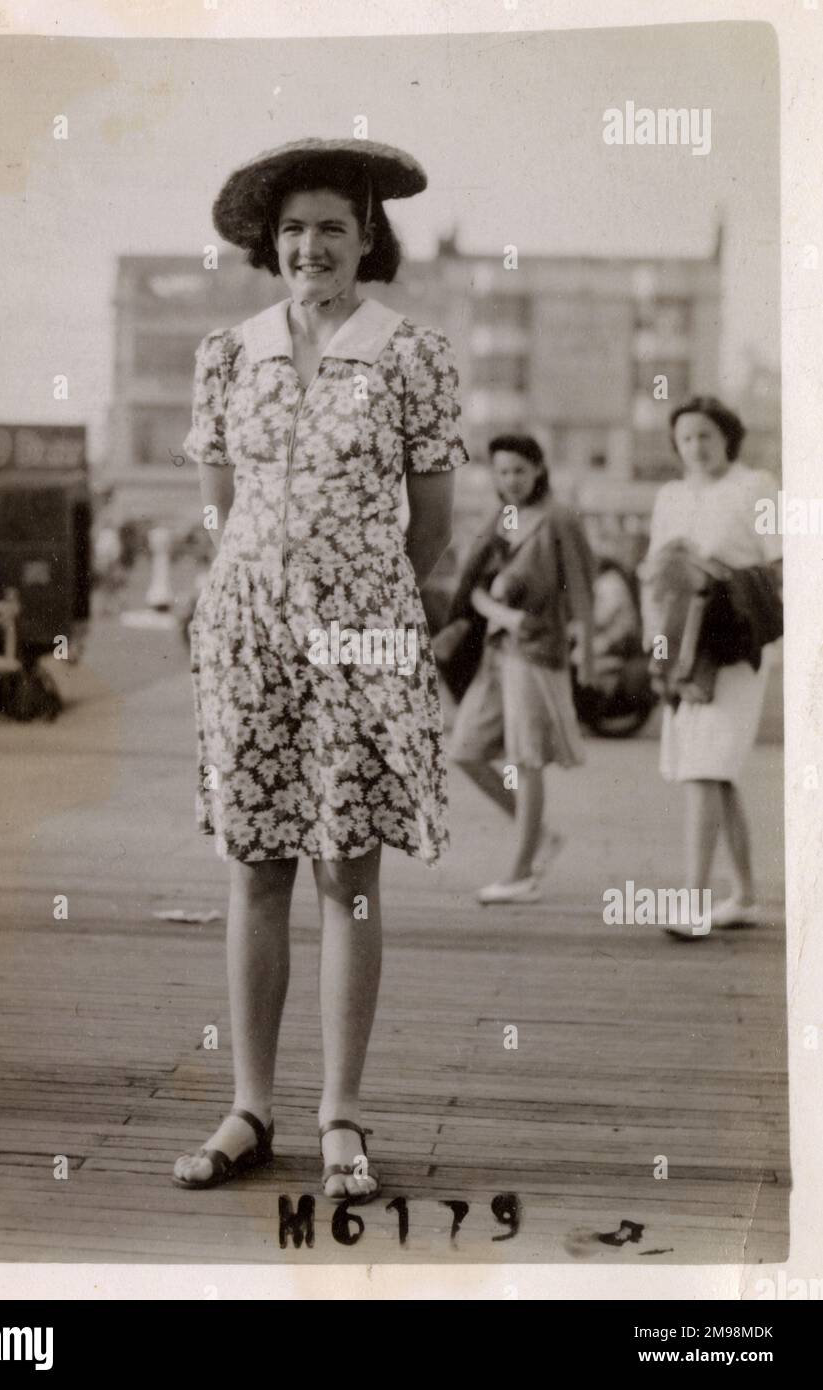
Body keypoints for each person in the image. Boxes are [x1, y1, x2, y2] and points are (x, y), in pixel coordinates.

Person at [173, 138, 468, 1200]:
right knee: (255, 865)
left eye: (333, 227)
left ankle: (339, 1114)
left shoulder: (411, 352)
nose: (311, 246)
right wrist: (259, 588)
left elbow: (431, 527)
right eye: (293, 228)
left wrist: (352, 603)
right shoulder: (227, 352)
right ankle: (250, 1104)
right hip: (248, 634)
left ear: (367, 238)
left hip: (363, 636)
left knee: (347, 874)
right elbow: (219, 503)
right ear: (269, 240)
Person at [640, 396, 783, 937]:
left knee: (706, 765)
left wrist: (713, 571)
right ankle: (743, 894)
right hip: (684, 640)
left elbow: (782, 562)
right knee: (709, 768)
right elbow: (654, 571)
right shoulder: (670, 494)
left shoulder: (755, 486)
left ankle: (694, 905)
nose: (695, 447)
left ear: (728, 436)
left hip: (734, 636)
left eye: (705, 435)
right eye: (685, 439)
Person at [447, 435, 595, 904]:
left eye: (519, 470)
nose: (511, 480)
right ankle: (541, 838)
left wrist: (586, 651)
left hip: (537, 651)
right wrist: (487, 608)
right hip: (497, 651)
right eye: (503, 471)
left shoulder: (559, 517)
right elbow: (474, 583)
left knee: (527, 759)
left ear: (539, 469)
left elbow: (583, 589)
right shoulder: (501, 519)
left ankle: (520, 872)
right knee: (466, 749)